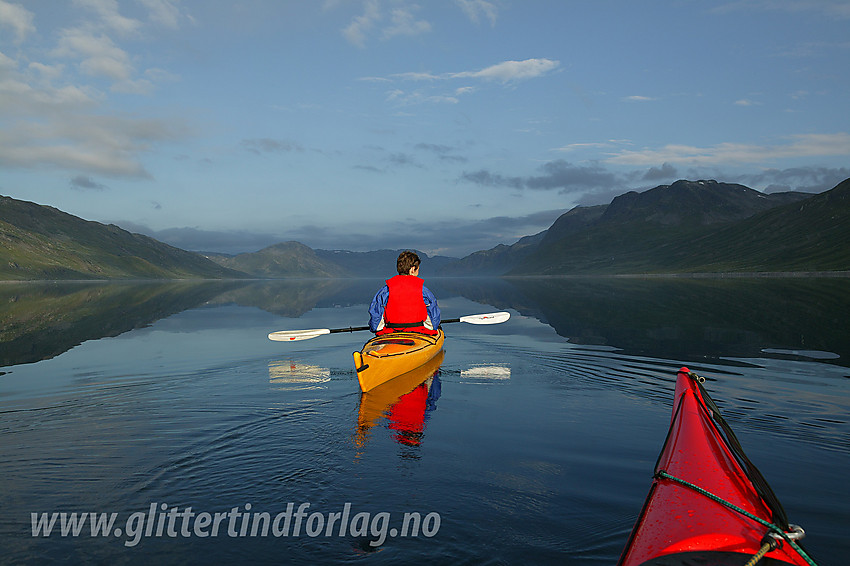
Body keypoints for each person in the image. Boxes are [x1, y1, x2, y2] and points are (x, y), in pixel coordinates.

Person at [369, 250, 441, 336]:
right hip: (419, 331)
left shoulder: (386, 290)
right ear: (412, 269)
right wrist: (435, 327)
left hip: (391, 331)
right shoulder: (423, 290)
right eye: (418, 269)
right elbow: (433, 317)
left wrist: (375, 329)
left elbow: (376, 319)